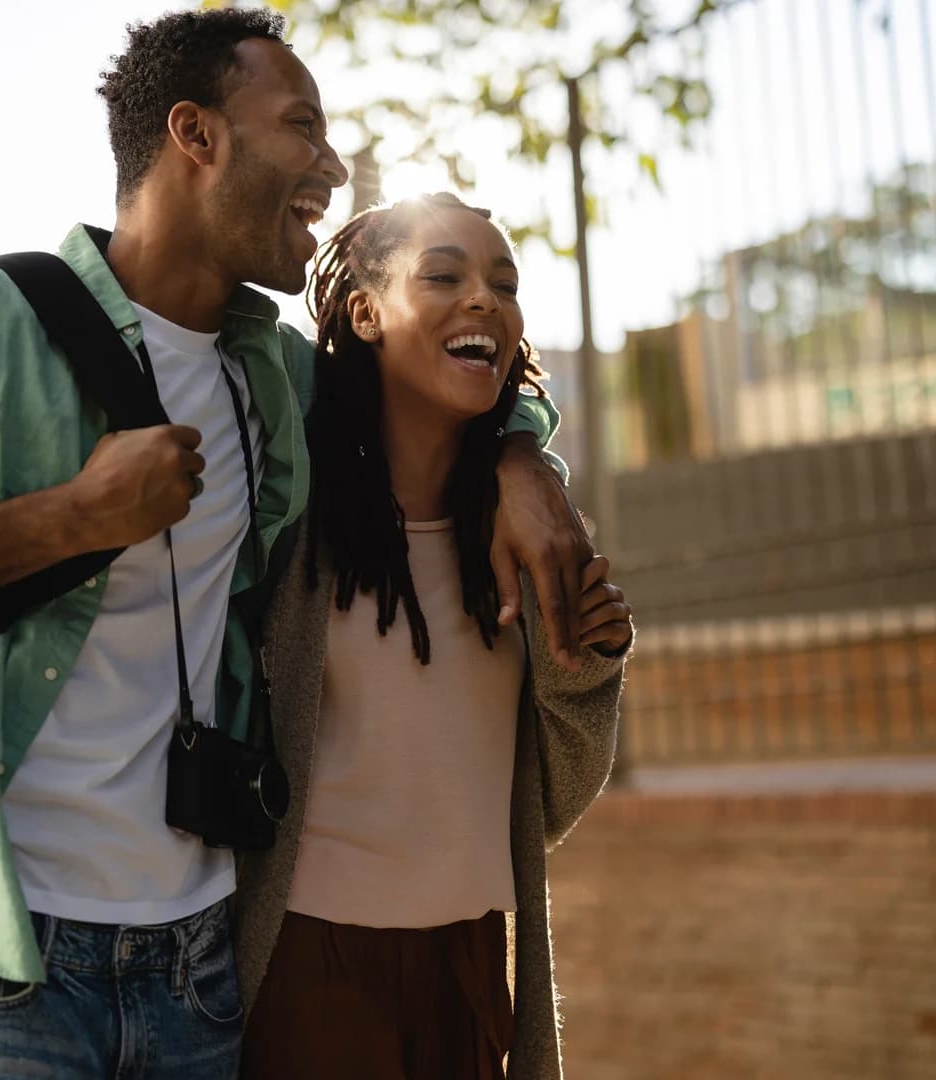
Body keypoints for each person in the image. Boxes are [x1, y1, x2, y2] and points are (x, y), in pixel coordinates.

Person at [0, 9, 589, 1079]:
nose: (332, 165)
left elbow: (447, 386)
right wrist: (70, 518)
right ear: (196, 135)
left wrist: (522, 462)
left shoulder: (275, 375)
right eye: (301, 126)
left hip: (194, 966)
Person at [232, 194, 632, 1080]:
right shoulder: (294, 518)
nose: (484, 298)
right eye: (443, 276)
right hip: (309, 967)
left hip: (469, 968)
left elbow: (545, 803)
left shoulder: (526, 540)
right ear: (364, 314)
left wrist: (586, 668)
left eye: (504, 284)